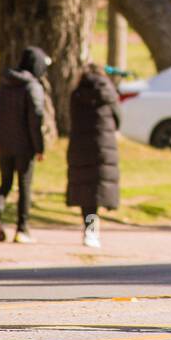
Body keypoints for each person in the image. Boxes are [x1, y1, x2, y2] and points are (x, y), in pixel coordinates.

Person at [0, 46, 51, 244]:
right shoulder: (32, 86)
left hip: (4, 144)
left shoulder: (6, 83)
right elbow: (35, 118)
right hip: (24, 146)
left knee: (6, 182)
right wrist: (39, 147)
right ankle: (22, 228)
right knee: (24, 186)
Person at [66, 62, 121, 248]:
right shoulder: (109, 92)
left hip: (80, 145)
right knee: (98, 187)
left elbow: (71, 119)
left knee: (85, 190)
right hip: (103, 145)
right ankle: (92, 229)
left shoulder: (77, 94)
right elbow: (118, 118)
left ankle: (89, 227)